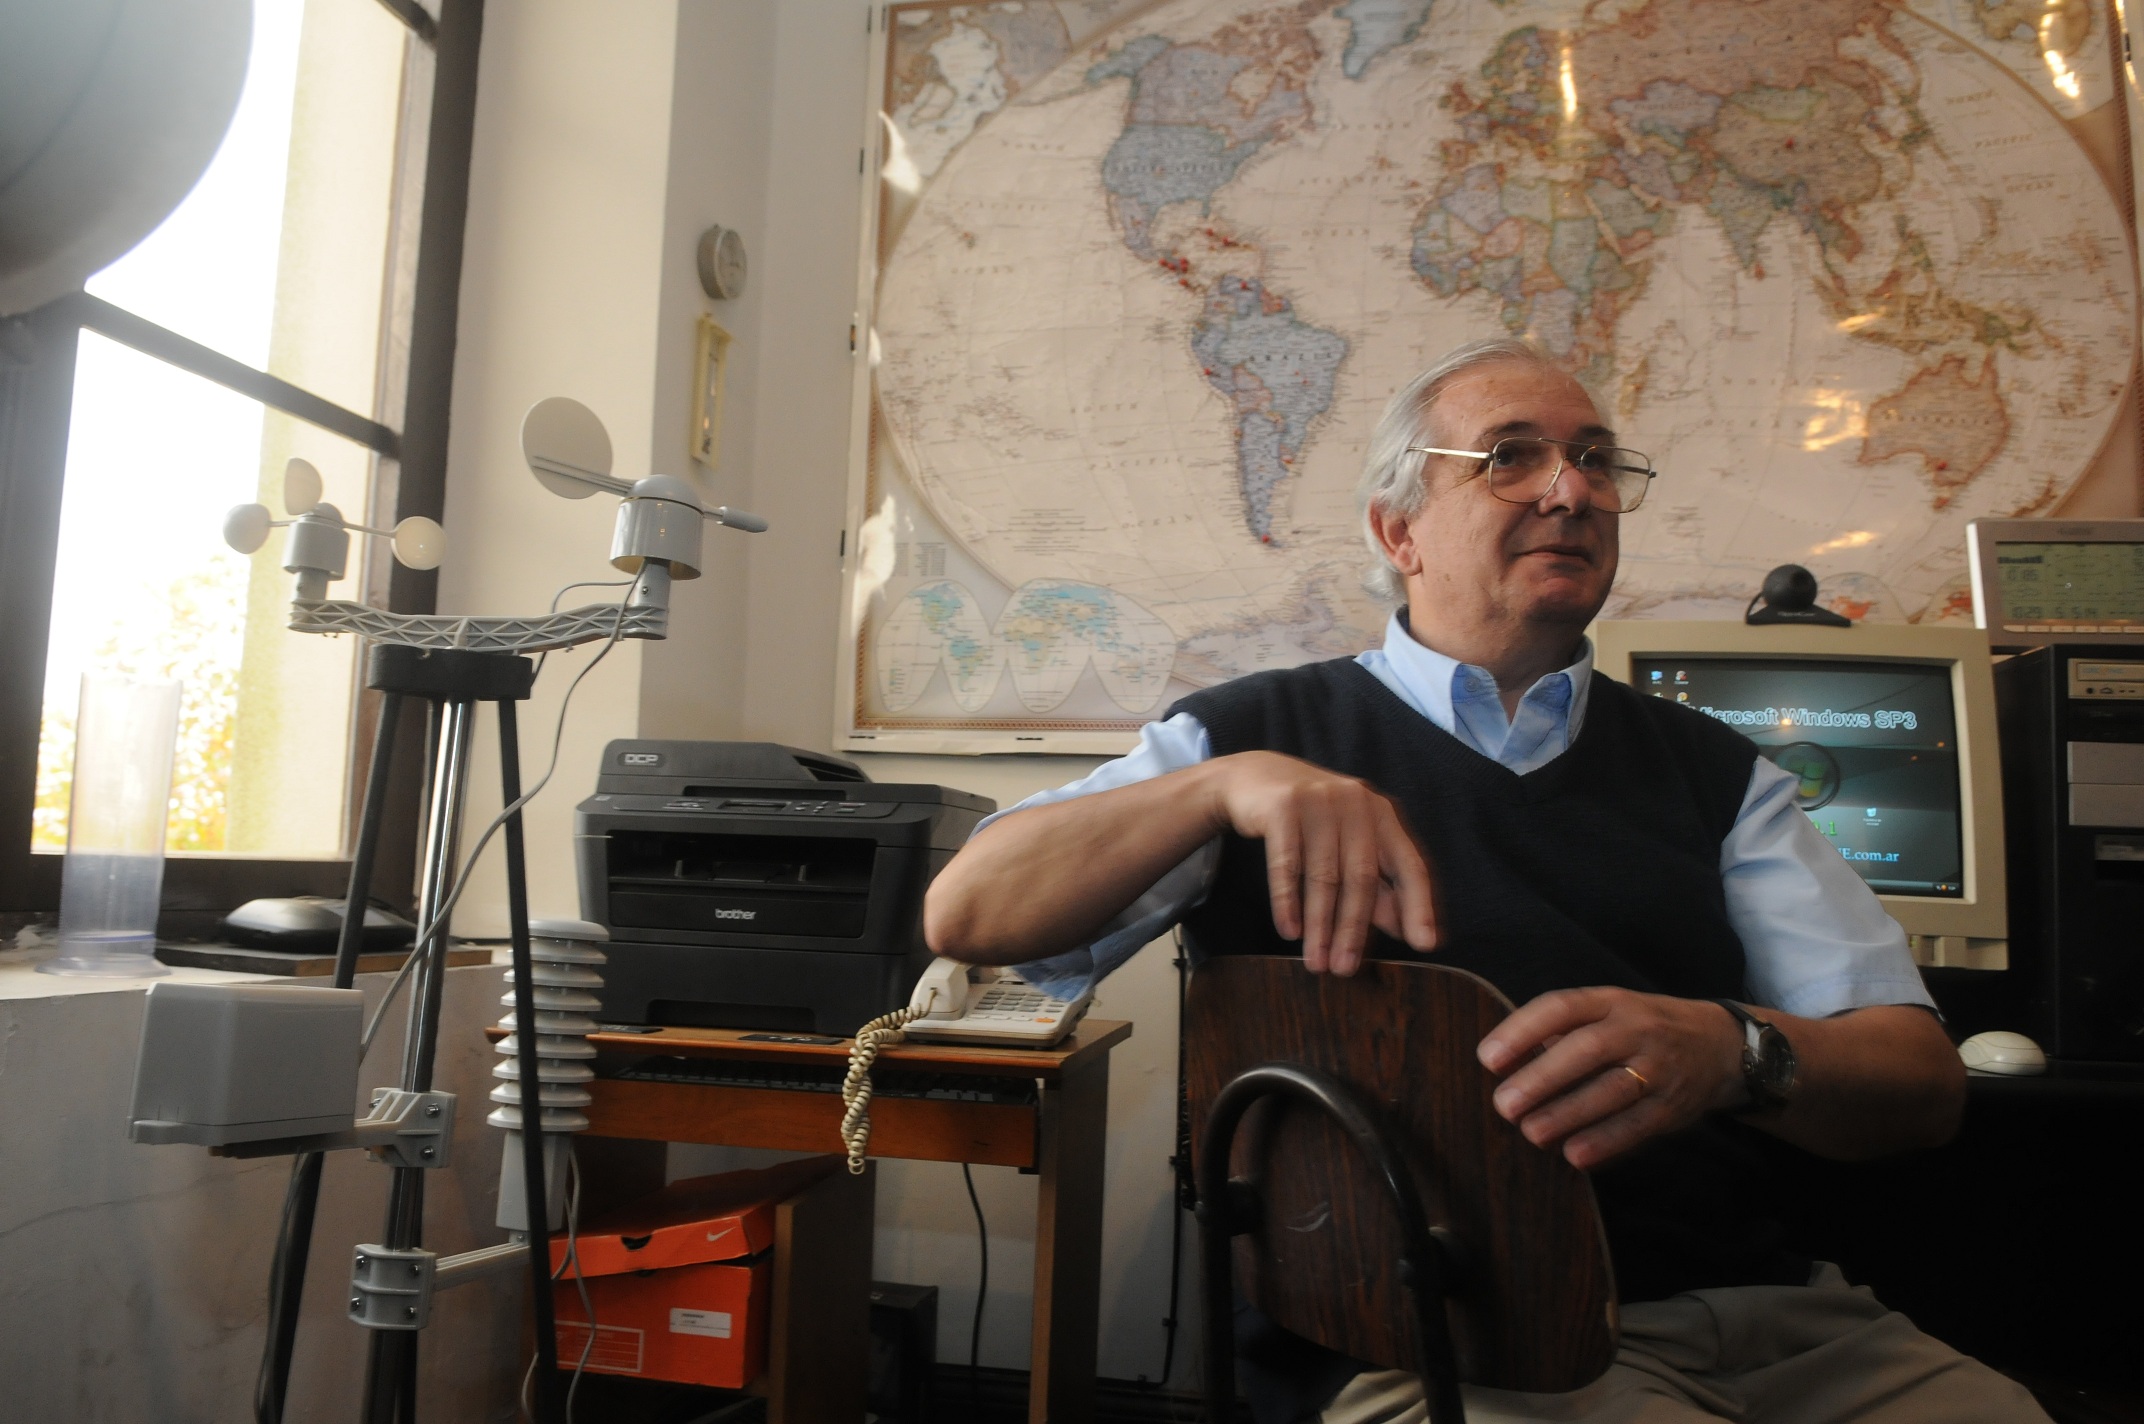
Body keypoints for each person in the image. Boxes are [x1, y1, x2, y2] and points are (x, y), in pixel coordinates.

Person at [922, 338, 2050, 1424]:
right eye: (1509, 455)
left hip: (1777, 1322)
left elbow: (1918, 1083)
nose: (1571, 488)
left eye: (1596, 458)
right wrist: (1219, 789)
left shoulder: (1712, 772)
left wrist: (1731, 1048)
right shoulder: (1250, 733)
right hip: (1437, 1340)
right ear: (1397, 528)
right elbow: (967, 912)